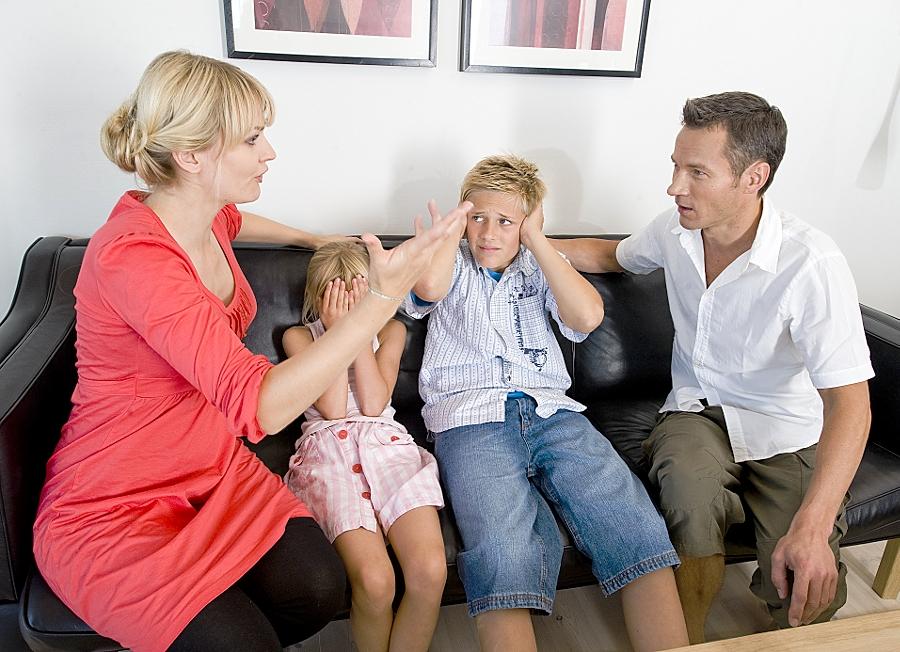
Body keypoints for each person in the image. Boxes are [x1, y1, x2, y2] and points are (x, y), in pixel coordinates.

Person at [31, 50, 468, 652]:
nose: (270, 152)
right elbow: (260, 407)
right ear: (191, 156)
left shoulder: (204, 215)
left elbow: (239, 221)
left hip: (212, 471)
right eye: (253, 138)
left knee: (317, 588)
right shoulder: (133, 258)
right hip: (120, 501)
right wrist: (381, 296)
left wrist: (310, 237)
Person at [553, 91, 874, 643]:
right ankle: (688, 639)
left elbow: (850, 402)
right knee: (688, 495)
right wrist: (515, 239)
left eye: (696, 171)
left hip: (787, 429)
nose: (674, 186)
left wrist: (816, 525)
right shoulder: (674, 229)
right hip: (695, 413)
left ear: (754, 177)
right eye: (675, 166)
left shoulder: (811, 262)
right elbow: (612, 255)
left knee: (802, 577)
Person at [403, 154, 689, 652]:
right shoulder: (447, 261)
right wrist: (449, 232)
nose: (489, 233)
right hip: (470, 420)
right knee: (502, 548)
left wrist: (538, 241)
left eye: (506, 222)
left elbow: (587, 317)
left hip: (553, 414)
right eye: (478, 218)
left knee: (633, 522)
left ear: (530, 225)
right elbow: (427, 289)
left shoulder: (540, 267)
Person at [283, 240, 446, 652]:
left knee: (430, 569)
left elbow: (374, 404)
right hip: (328, 449)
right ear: (318, 298)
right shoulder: (299, 337)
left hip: (386, 444)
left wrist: (360, 330)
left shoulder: (391, 330)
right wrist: (339, 332)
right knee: (376, 581)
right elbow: (334, 409)